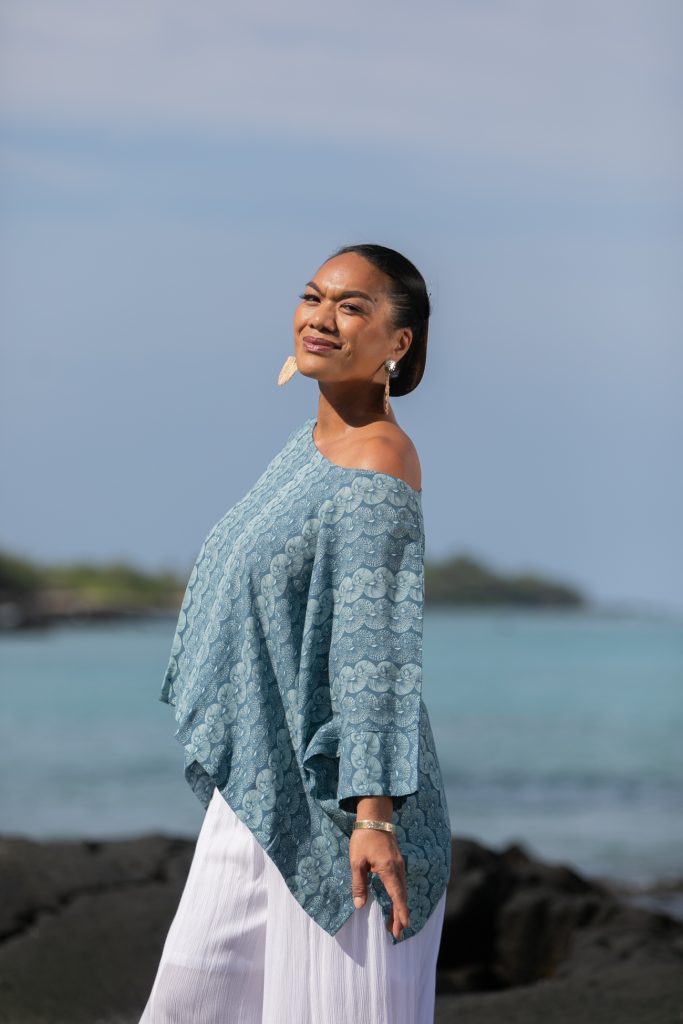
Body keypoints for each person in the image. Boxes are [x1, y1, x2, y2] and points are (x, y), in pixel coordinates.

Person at [139, 243, 452, 1023]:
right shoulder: (304, 450)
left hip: (346, 811)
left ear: (398, 342)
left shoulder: (378, 462)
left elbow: (375, 650)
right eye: (314, 297)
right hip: (259, 792)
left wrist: (374, 817)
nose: (321, 317)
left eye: (352, 306)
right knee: (188, 1000)